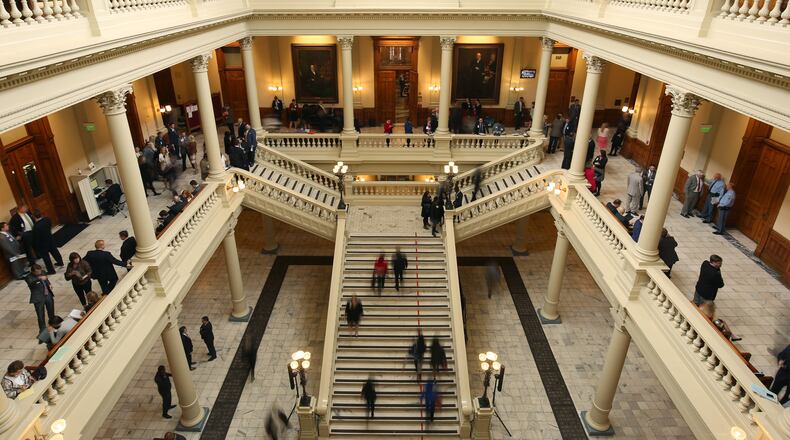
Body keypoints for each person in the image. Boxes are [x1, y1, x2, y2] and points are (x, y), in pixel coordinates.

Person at [31, 209, 63, 274]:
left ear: (34, 217)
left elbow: (37, 238)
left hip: (43, 244)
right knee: (55, 251)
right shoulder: (47, 219)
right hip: (50, 239)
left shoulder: (36, 226)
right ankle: (60, 262)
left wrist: (36, 247)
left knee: (46, 258)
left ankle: (51, 270)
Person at [27, 264, 55, 332]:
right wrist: (38, 278)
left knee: (51, 311)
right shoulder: (28, 277)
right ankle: (42, 330)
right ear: (33, 272)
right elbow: (31, 283)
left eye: (40, 271)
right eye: (37, 272)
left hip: (47, 294)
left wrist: (49, 284)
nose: (40, 273)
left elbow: (46, 279)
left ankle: (52, 325)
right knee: (40, 315)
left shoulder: (42, 272)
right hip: (38, 298)